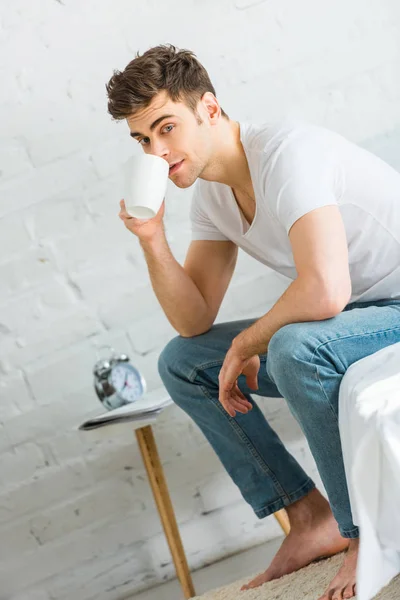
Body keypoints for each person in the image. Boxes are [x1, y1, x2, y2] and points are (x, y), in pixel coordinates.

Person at [106, 44, 400, 600]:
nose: (156, 152)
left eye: (166, 128)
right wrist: (152, 240)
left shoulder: (287, 152)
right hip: (362, 318)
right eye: (143, 140)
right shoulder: (212, 196)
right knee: (184, 362)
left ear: (209, 109)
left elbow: (325, 290)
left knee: (294, 347)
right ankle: (309, 518)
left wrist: (249, 339)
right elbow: (193, 322)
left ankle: (367, 533)